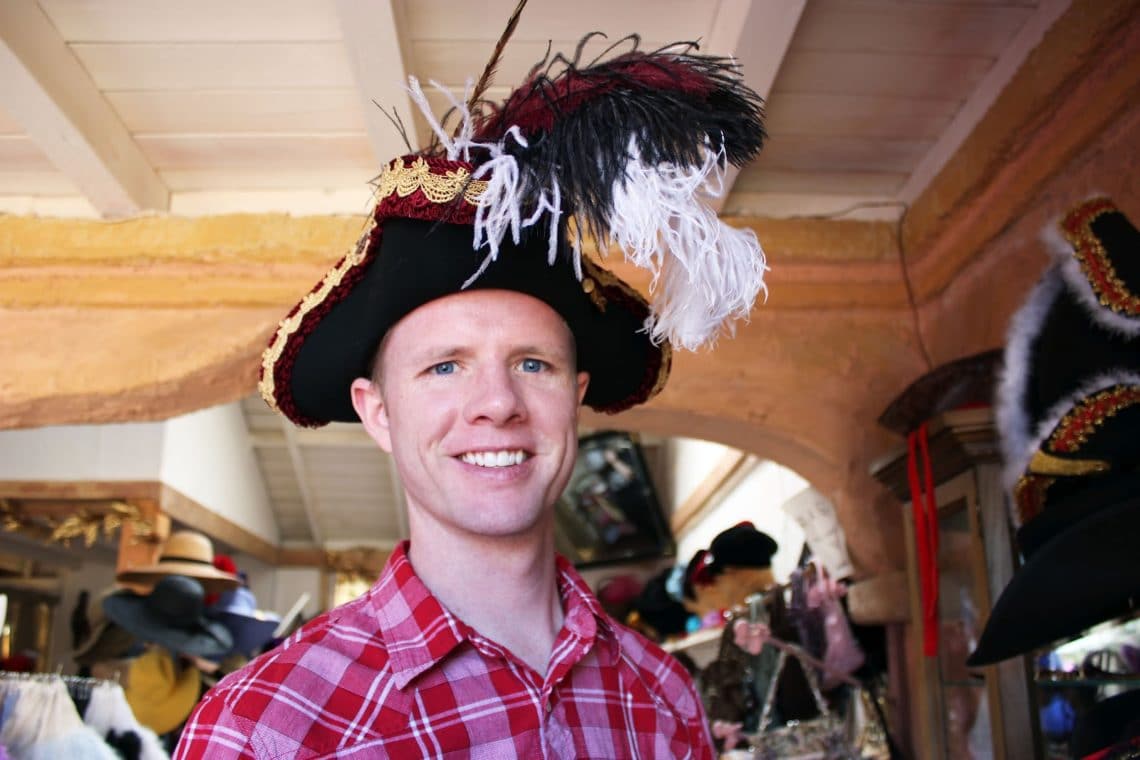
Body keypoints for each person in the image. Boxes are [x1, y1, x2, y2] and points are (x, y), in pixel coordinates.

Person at [176, 25, 768, 759]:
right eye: (445, 366)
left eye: (533, 364)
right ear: (378, 412)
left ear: (575, 394)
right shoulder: (261, 728)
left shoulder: (665, 700)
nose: (497, 404)